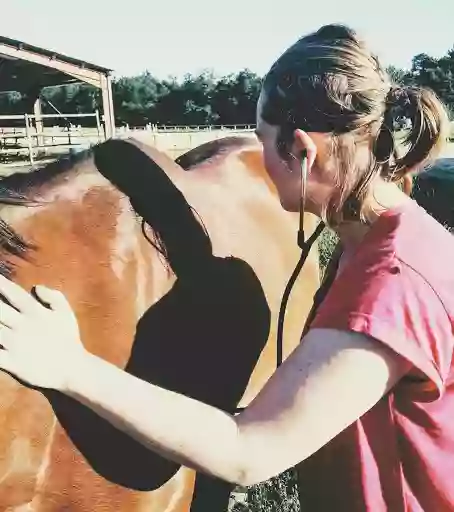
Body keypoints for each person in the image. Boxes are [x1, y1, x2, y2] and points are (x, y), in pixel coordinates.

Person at [0, 24, 453, 511]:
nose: (259, 156)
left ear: (302, 151)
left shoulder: (391, 283)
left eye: (263, 139)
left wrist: (69, 367)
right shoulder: (374, 243)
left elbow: (249, 453)